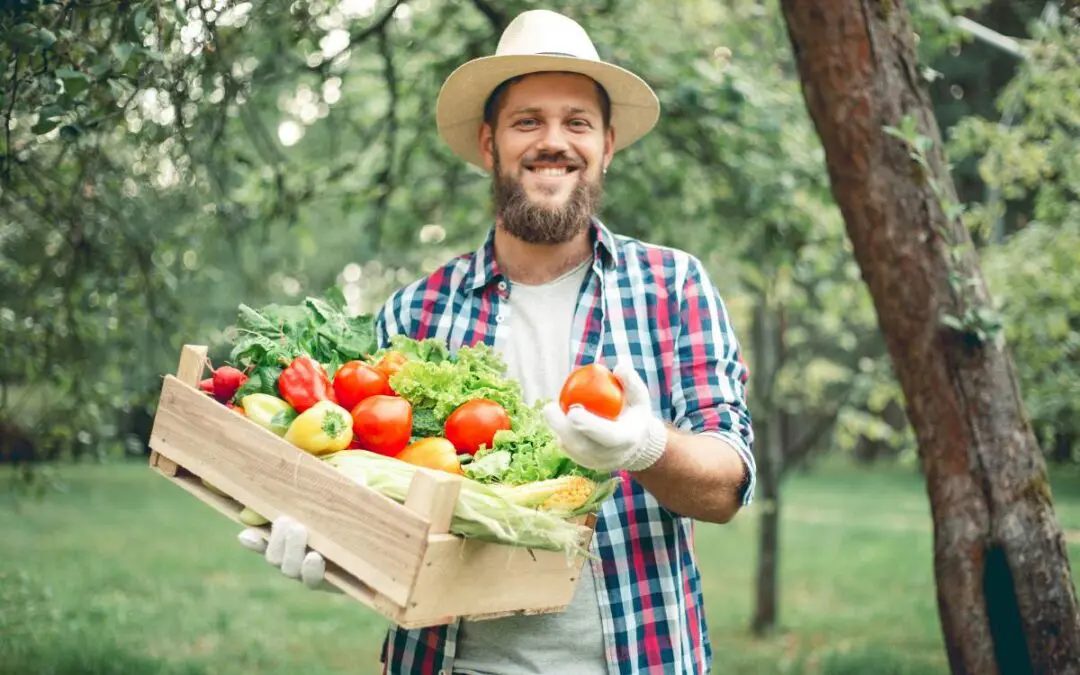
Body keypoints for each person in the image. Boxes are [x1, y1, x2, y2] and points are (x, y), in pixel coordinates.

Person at [240, 8, 756, 675]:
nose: (553, 141)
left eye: (577, 122)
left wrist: (647, 444)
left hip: (641, 657)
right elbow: (377, 498)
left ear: (608, 143)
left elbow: (726, 488)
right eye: (527, 121)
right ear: (489, 144)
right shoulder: (415, 312)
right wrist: (332, 548)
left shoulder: (674, 287)